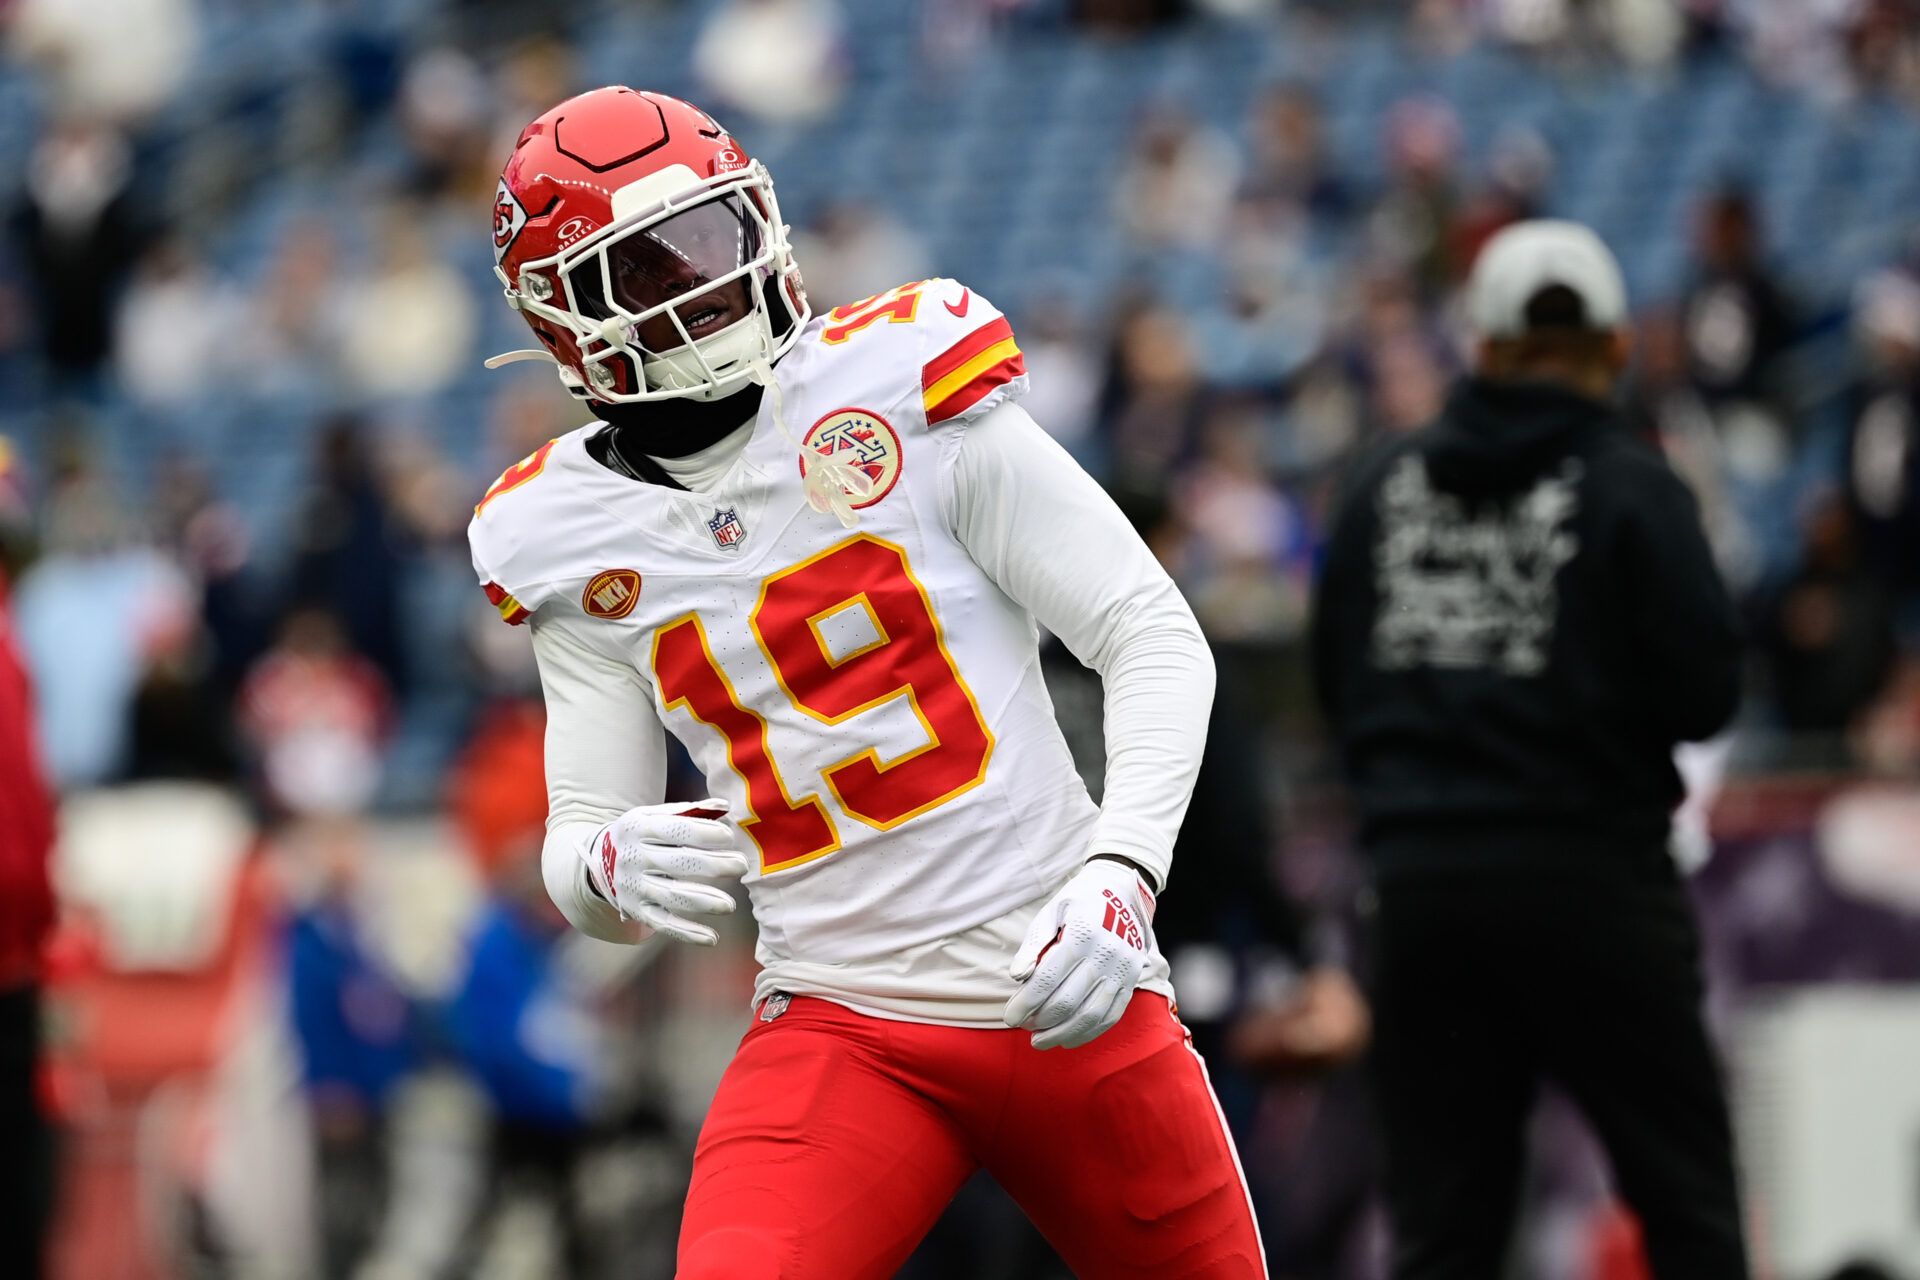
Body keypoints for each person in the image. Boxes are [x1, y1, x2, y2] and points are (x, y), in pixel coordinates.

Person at [469, 88, 1262, 1278]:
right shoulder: (563, 533)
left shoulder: (896, 385)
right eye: (650, 264)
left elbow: (1151, 629)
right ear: (565, 317)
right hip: (843, 1019)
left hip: (1066, 977)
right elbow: (581, 832)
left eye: (720, 232)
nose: (710, 278)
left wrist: (1121, 871)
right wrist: (599, 864)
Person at [1311, 220, 1750, 1280]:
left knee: (1445, 1230)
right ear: (1610, 349)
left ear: (1486, 348)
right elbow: (1706, 695)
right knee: (1688, 1208)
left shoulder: (1380, 485)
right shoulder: (1638, 485)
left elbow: (1333, 685)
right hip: (1596, 883)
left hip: (1424, 893)